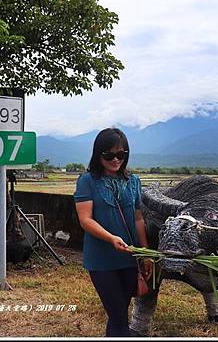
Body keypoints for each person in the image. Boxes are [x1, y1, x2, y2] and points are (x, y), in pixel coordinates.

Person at [74, 127, 152, 337]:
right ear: (98, 154)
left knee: (119, 314)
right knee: (118, 316)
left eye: (121, 154)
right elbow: (85, 220)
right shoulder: (87, 181)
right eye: (109, 154)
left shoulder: (133, 181)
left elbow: (138, 219)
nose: (116, 159)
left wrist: (145, 252)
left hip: (129, 257)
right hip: (102, 259)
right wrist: (110, 238)